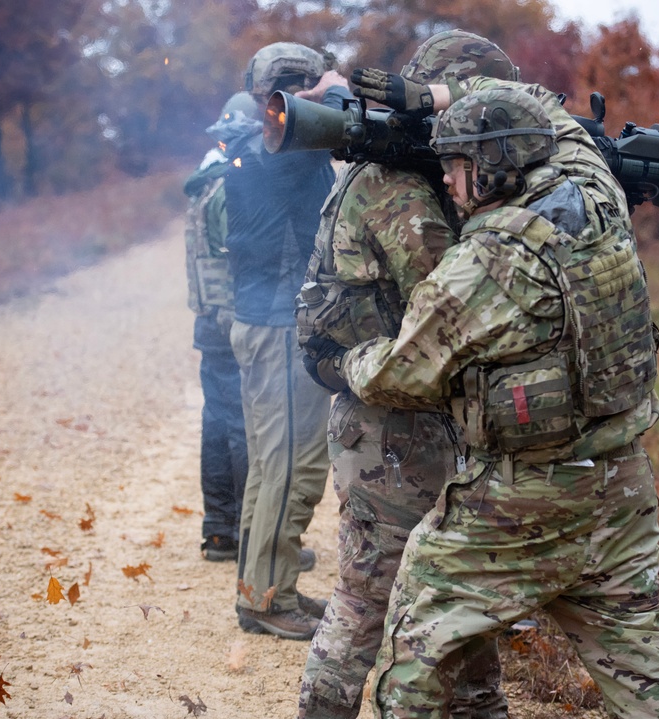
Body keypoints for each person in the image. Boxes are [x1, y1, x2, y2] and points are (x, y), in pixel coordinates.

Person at [316, 86, 659, 718]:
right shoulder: (594, 187)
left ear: (492, 165)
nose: (444, 176)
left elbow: (403, 374)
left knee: (417, 635)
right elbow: (544, 103)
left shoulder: (488, 262)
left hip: (521, 498)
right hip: (621, 486)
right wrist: (439, 94)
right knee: (645, 665)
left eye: (456, 164)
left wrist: (345, 359)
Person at [294, 31, 517, 719]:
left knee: (458, 587)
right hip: (397, 430)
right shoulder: (401, 192)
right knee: (367, 599)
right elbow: (452, 306)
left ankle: (481, 708)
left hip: (400, 421)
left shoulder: (391, 173)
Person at [224, 42, 351, 641]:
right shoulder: (284, 149)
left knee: (269, 462)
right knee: (292, 464)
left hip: (261, 323)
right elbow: (347, 116)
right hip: (279, 329)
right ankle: (268, 599)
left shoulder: (255, 145)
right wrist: (333, 85)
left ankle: (264, 584)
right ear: (290, 92)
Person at [182, 92, 257, 562]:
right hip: (233, 321)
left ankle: (220, 530)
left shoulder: (205, 181)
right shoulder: (230, 186)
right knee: (243, 428)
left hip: (210, 321)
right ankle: (249, 534)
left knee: (217, 424)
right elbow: (245, 255)